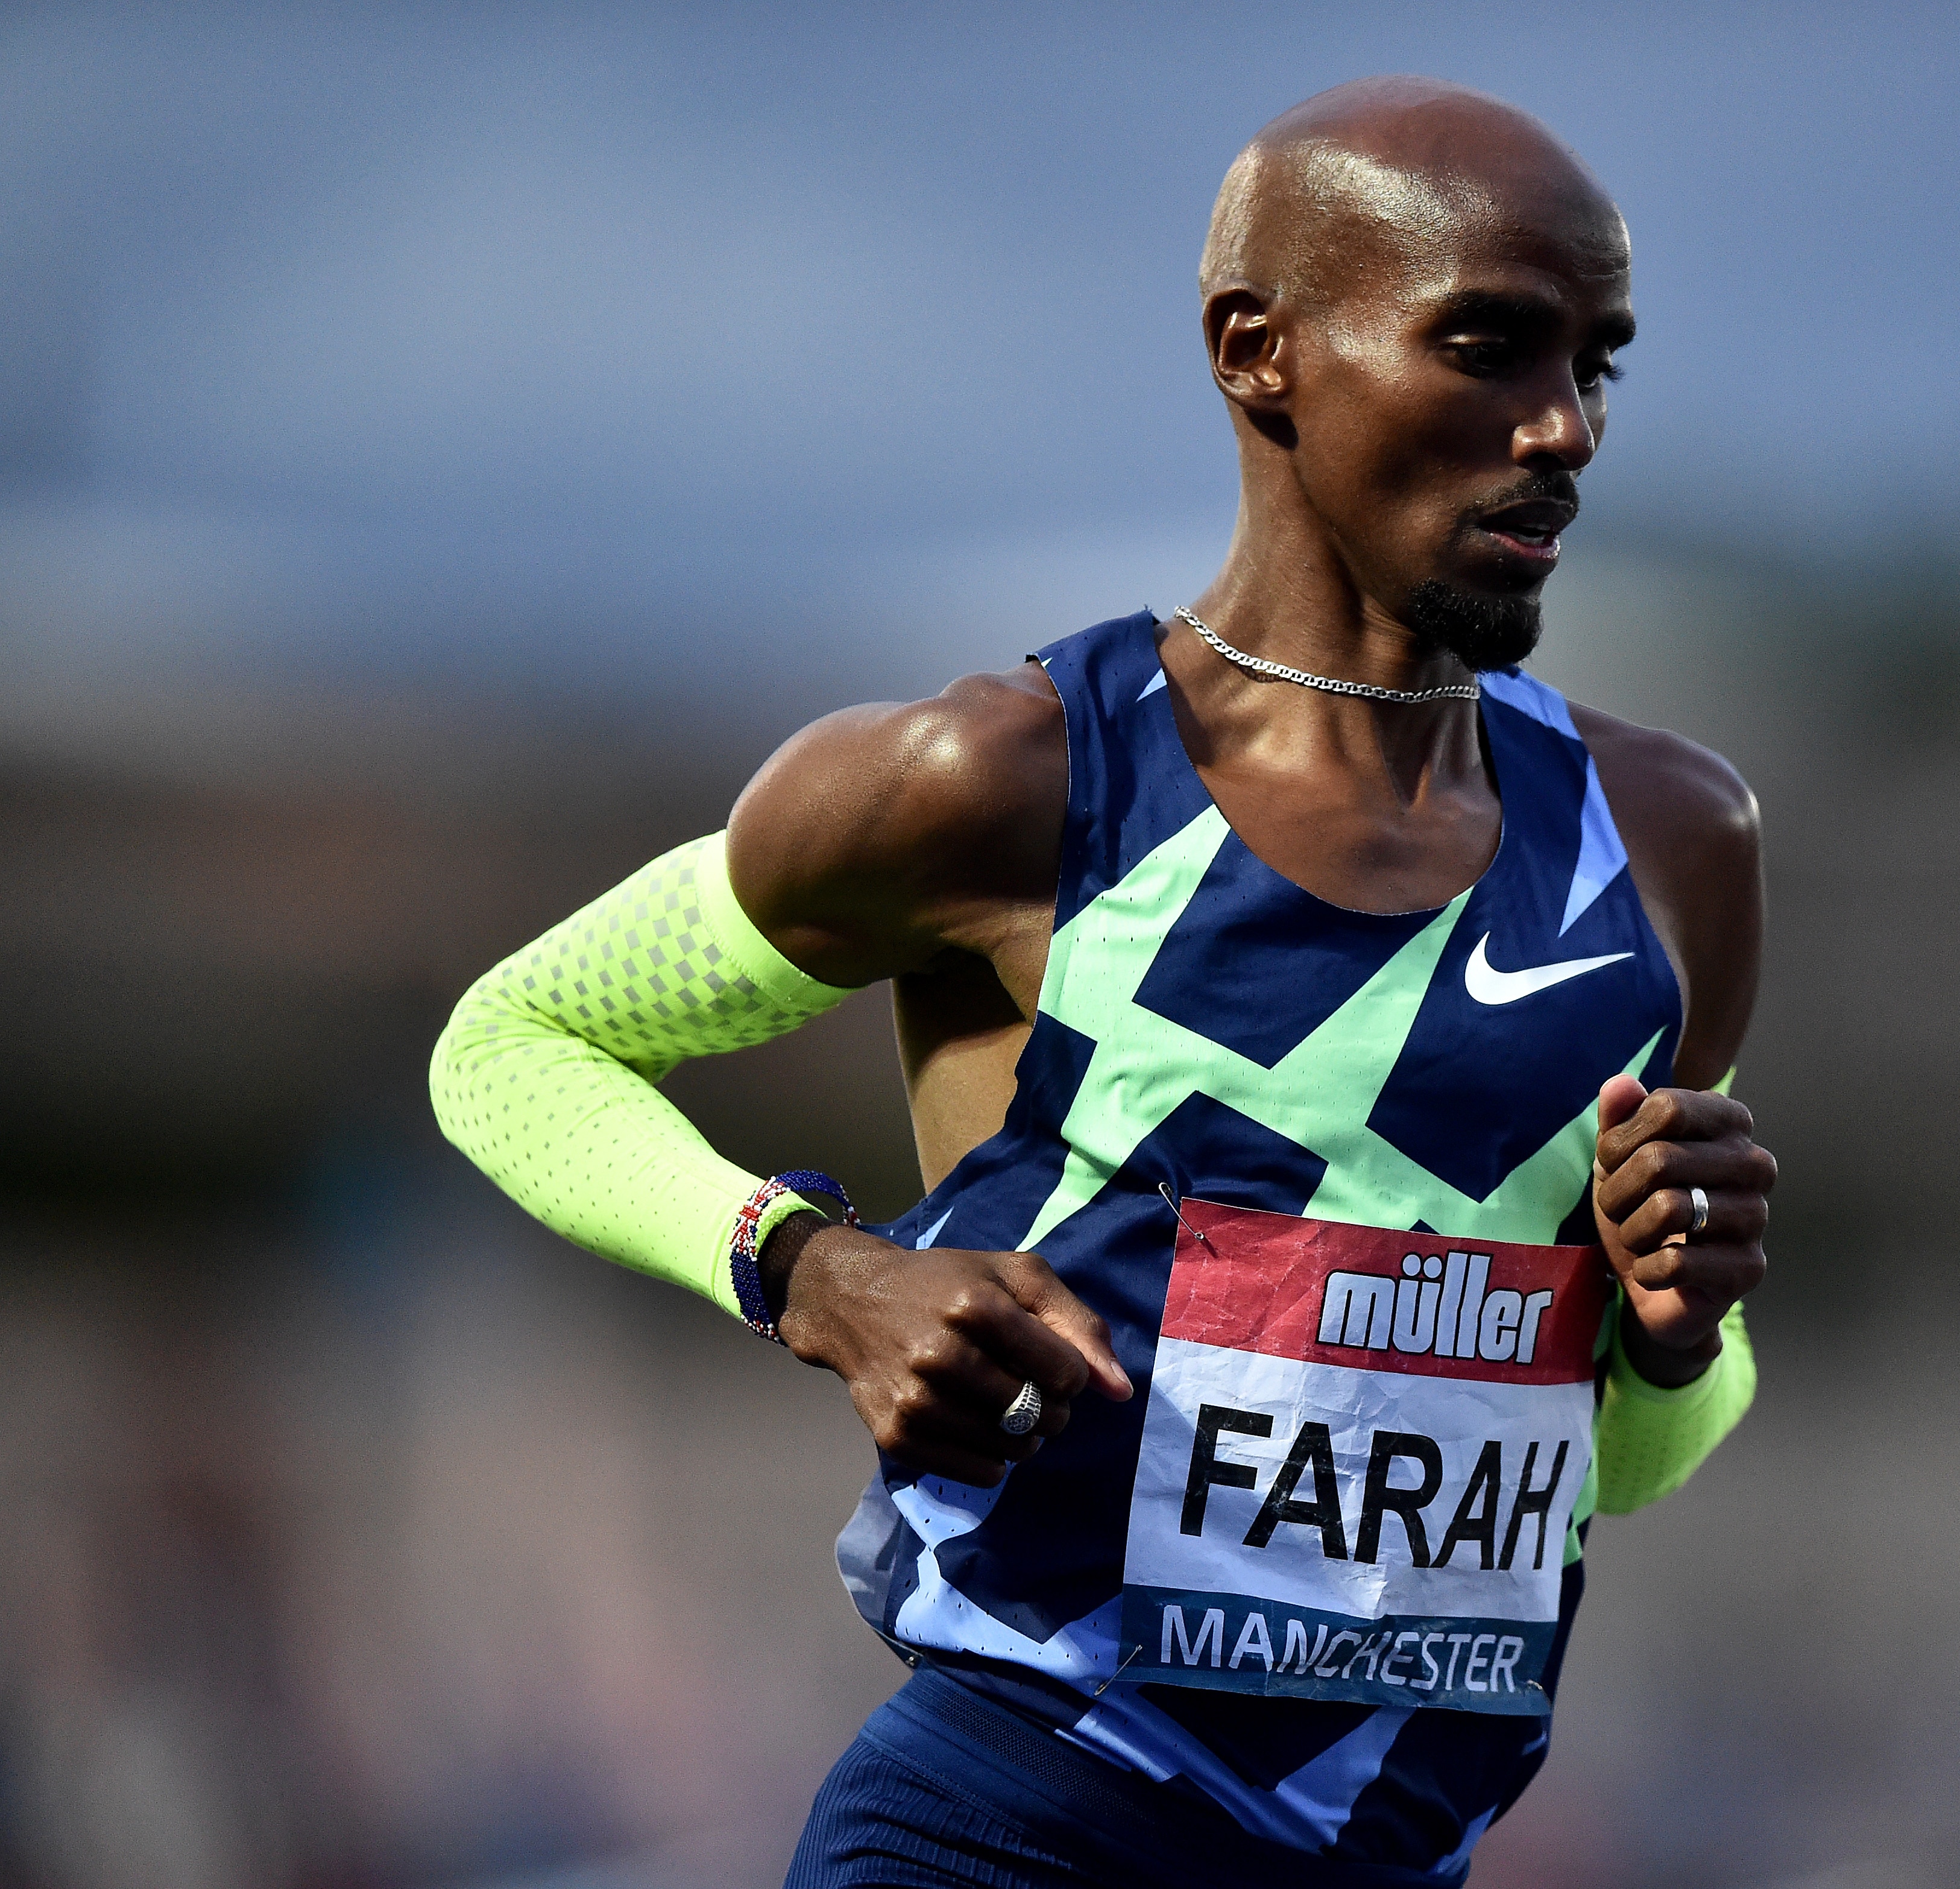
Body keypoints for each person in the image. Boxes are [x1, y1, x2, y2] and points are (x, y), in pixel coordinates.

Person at [430, 74, 1776, 1888]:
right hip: (1010, 1831)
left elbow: (1624, 1463)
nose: (1564, 431)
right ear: (1260, 352)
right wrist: (817, 1276)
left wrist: (1674, 1336)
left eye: (1595, 365)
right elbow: (511, 1043)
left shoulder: (1673, 848)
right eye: (1488, 347)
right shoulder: (1001, 782)